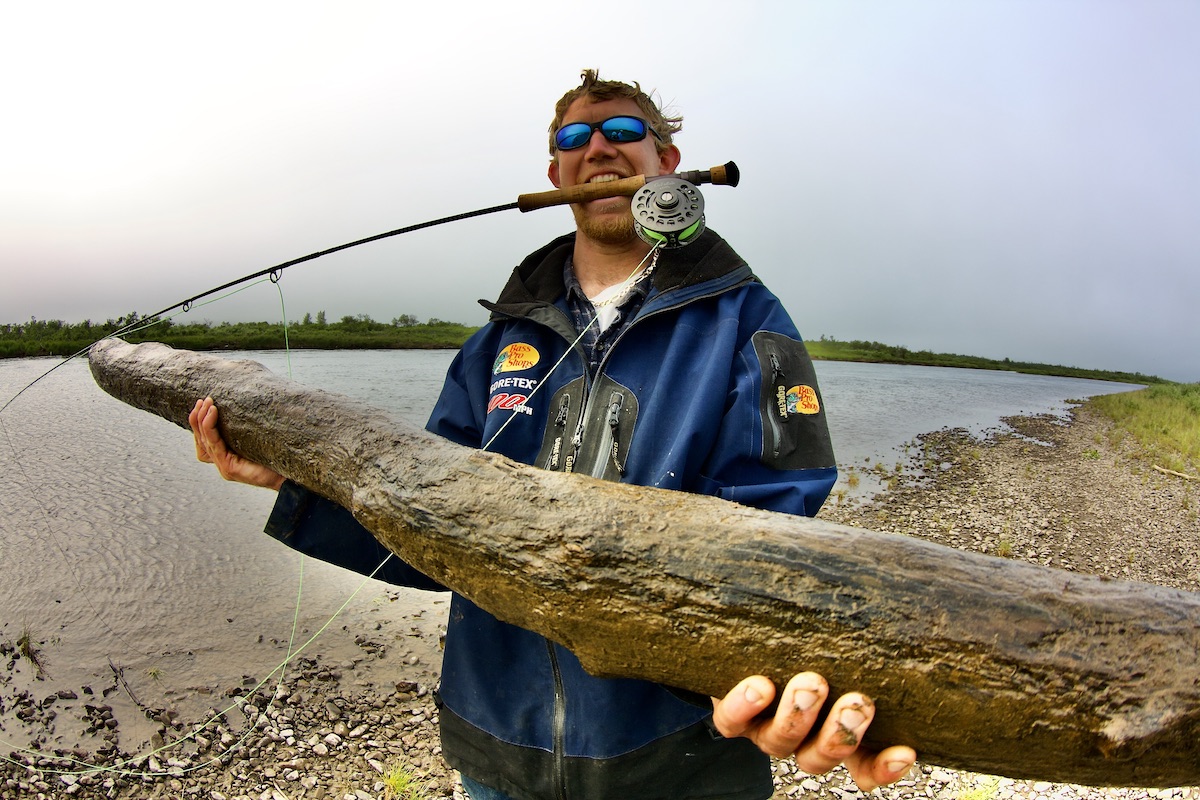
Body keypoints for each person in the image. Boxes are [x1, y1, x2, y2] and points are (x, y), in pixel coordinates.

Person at [189, 70, 916, 800]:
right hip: (499, 758)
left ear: (669, 162)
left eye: (625, 132)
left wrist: (766, 691)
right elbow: (428, 537)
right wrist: (295, 486)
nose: (599, 148)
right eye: (576, 138)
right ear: (554, 172)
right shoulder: (494, 344)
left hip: (683, 763)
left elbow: (776, 540)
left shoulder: (748, 321)